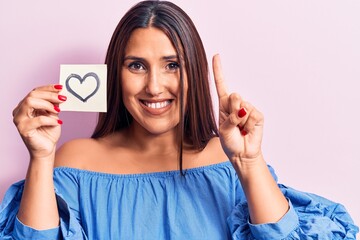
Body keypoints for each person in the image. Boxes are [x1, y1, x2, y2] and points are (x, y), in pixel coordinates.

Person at [0, 1, 358, 239]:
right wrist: (42, 157)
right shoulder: (75, 161)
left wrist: (249, 162)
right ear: (115, 75)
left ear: (194, 72)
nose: (154, 87)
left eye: (172, 65)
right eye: (136, 65)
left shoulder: (228, 162)